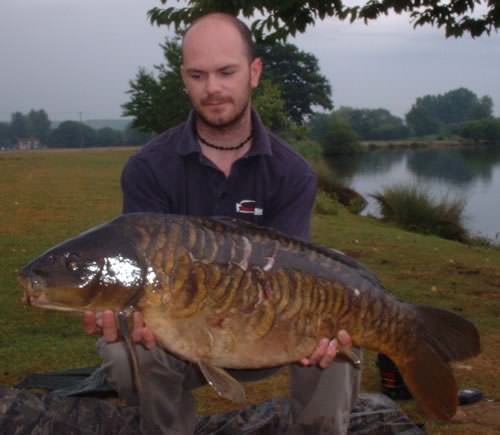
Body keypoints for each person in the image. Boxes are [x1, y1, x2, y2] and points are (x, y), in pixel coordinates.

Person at [83, 12, 361, 435]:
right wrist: (124, 310)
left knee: (334, 340)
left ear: (254, 73)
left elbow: (291, 279)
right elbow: (135, 268)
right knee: (125, 347)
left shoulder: (293, 173)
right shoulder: (148, 168)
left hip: (270, 334)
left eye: (226, 72)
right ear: (184, 79)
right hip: (180, 335)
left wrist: (316, 324)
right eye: (198, 75)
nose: (212, 88)